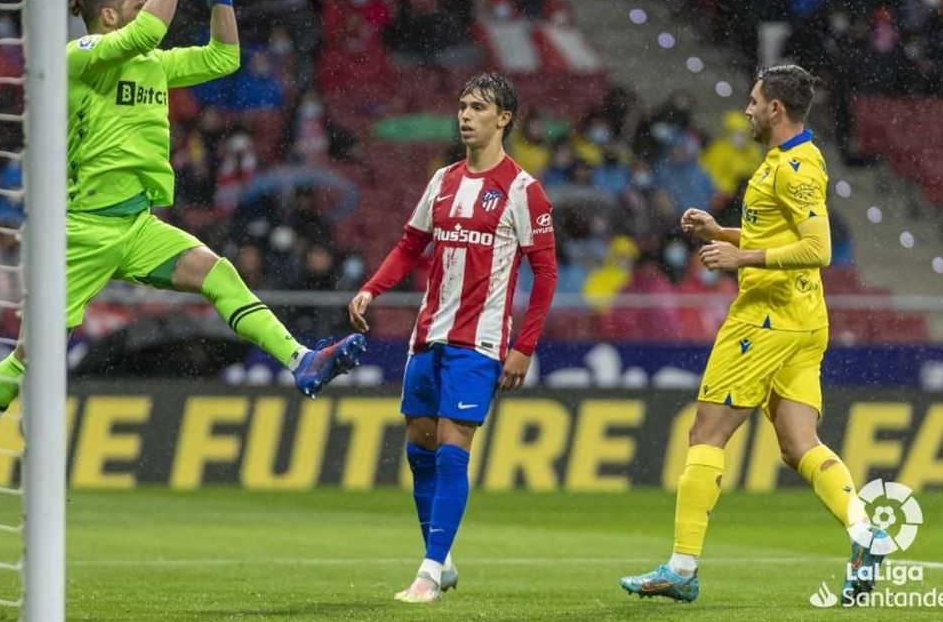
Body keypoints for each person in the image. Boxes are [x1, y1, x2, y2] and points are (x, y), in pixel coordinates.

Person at [0, 0, 365, 521]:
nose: (151, 8)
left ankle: (302, 361)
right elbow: (144, 32)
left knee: (216, 271)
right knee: (32, 357)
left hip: (136, 224)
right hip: (78, 229)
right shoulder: (81, 56)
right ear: (109, 15)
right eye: (137, 3)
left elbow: (224, 56)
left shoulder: (154, 64)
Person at [619, 65, 885, 604]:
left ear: (776, 109)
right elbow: (780, 235)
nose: (746, 109)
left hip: (765, 319)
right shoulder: (786, 160)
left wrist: (741, 256)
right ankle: (865, 531)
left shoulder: (796, 169)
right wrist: (722, 232)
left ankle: (681, 566)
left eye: (754, 100)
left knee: (705, 435)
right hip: (803, 321)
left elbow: (818, 248)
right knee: (798, 445)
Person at [348, 72, 557, 603]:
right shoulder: (442, 180)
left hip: (480, 342)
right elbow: (409, 245)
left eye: (478, 108)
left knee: (451, 449)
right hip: (428, 335)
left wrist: (524, 346)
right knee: (418, 449)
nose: (465, 115)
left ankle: (429, 569)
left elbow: (546, 276)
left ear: (503, 118)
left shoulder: (522, 191)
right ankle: (442, 560)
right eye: (462, 106)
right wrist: (372, 289)